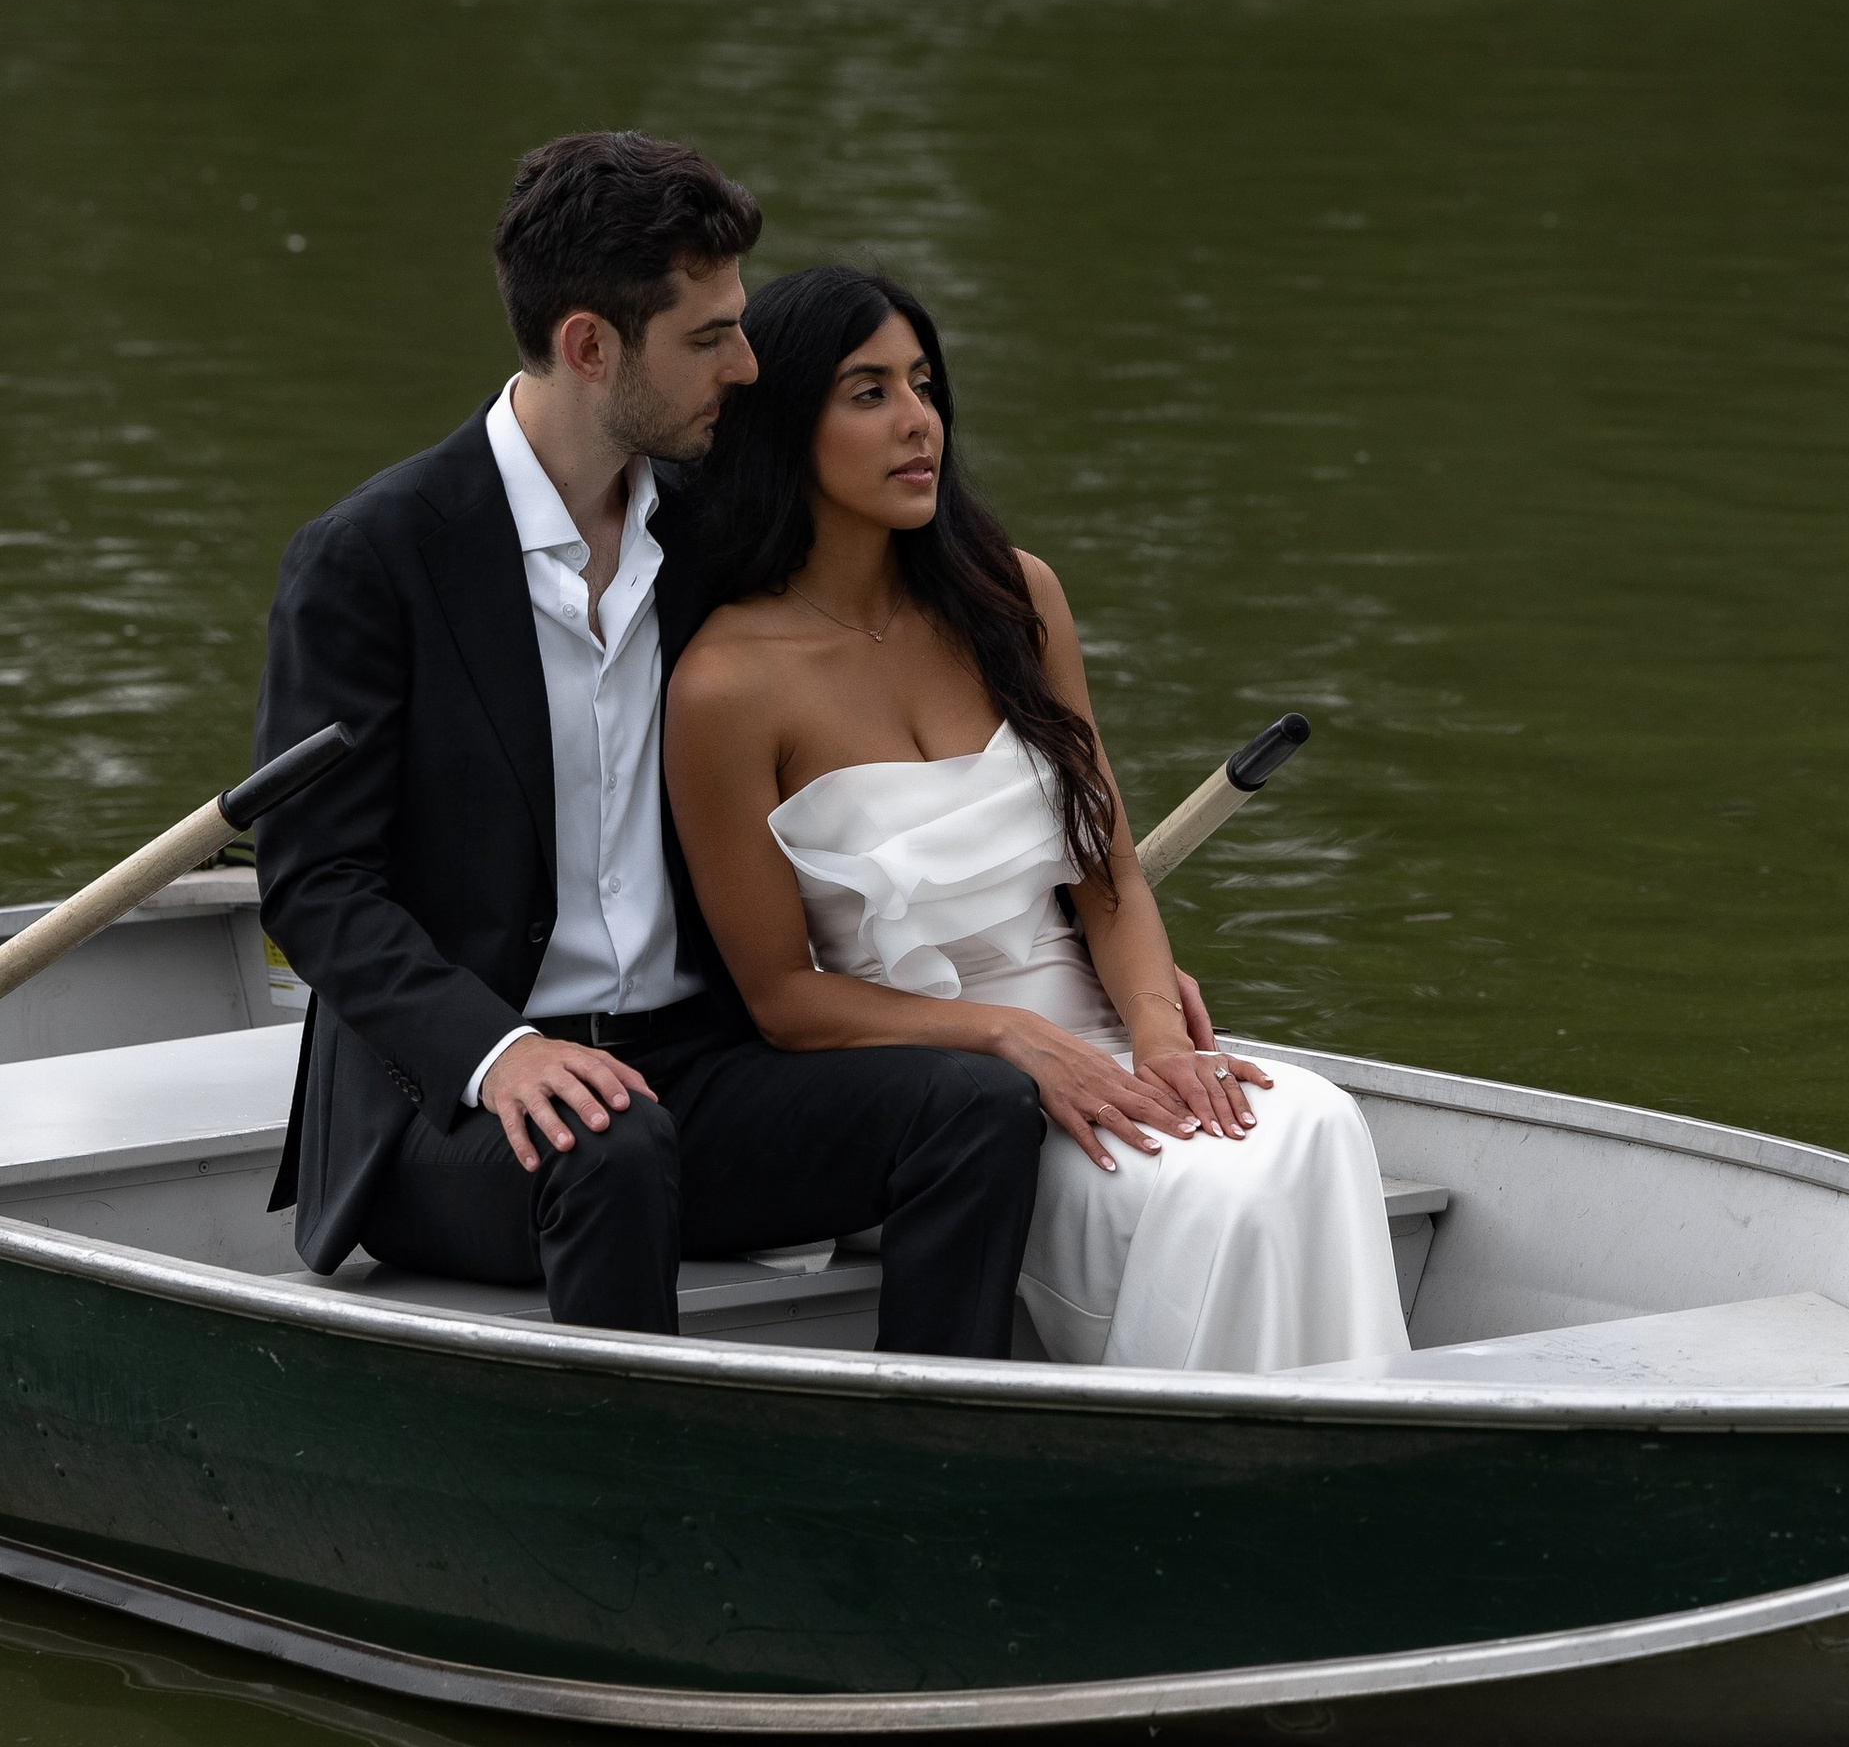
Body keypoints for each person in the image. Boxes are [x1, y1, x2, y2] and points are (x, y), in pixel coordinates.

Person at [251, 134, 1045, 1344]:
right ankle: (647, 1518)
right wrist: (497, 1051)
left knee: (974, 1108)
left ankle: (934, 1478)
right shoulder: (374, 559)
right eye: (709, 336)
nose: (747, 364)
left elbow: (869, 678)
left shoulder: (719, 530)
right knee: (610, 1146)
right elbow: (317, 886)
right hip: (455, 1113)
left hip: (700, 1068)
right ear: (588, 346)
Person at [663, 262, 1409, 1374]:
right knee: (1216, 1198)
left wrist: (1158, 1037)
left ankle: (1334, 1462)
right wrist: (1015, 1041)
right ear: (784, 427)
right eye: (868, 393)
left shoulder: (1012, 596)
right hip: (945, 1098)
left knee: (1311, 1124)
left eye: (923, 383)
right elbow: (783, 999)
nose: (919, 422)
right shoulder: (724, 687)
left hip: (1106, 1033)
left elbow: (1108, 874)